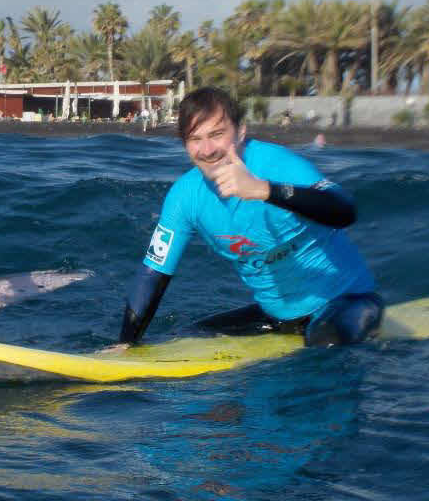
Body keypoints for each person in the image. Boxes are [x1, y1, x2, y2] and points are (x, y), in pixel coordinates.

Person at [119, 86, 382, 348]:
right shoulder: (185, 196)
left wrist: (264, 190)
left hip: (348, 301)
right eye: (195, 139)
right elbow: (153, 275)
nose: (207, 149)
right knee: (186, 337)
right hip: (277, 317)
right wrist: (127, 345)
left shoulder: (279, 165)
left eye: (217, 134)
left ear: (240, 132)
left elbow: (345, 211)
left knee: (327, 341)